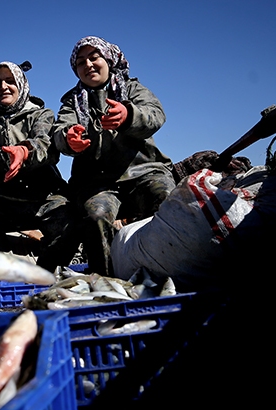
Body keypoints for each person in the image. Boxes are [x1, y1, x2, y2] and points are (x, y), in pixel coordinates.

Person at [0, 60, 75, 308]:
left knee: (71, 220)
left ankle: (51, 288)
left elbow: (46, 145)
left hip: (44, 197)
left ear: (21, 85)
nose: (3, 87)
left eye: (10, 81)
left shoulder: (42, 114)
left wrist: (25, 151)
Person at [52, 36, 176, 276]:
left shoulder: (132, 89)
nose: (87, 65)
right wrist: (69, 138)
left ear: (109, 60)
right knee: (95, 216)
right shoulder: (72, 102)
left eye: (94, 57)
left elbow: (156, 115)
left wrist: (129, 115)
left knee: (167, 199)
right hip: (98, 185)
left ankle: (168, 273)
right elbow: (60, 130)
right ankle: (108, 281)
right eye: (80, 62)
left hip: (144, 173)